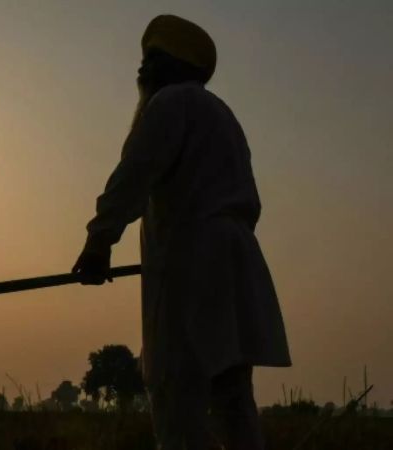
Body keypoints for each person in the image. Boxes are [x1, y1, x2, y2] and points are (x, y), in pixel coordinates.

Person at [72, 14, 291, 450]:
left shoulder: (170, 103)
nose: (142, 68)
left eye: (153, 59)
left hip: (192, 266)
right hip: (234, 263)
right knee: (232, 397)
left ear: (176, 66)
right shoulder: (223, 116)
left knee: (176, 396)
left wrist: (99, 242)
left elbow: (134, 175)